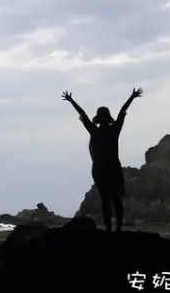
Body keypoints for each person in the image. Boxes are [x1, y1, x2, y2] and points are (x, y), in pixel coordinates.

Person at [61, 88, 144, 233]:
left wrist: (71, 101)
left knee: (105, 200)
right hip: (113, 168)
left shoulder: (94, 131)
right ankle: (117, 228)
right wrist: (132, 96)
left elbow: (83, 114)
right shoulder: (114, 130)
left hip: (100, 169)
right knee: (116, 199)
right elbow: (122, 111)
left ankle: (109, 229)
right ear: (108, 118)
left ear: (98, 119)